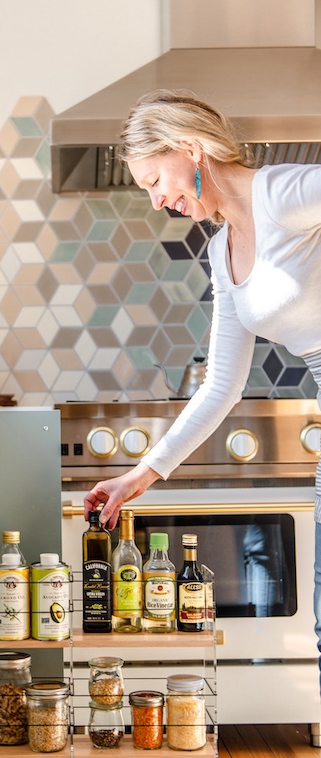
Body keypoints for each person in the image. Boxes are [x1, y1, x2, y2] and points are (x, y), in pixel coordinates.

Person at [83, 89, 321, 675]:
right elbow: (221, 384)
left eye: (153, 180)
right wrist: (140, 475)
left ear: (189, 148)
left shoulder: (281, 194)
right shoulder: (221, 250)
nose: (156, 200)